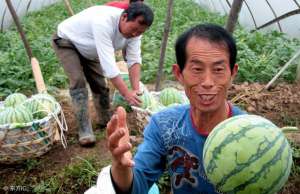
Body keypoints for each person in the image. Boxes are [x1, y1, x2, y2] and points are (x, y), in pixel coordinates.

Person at [106, 24, 246, 194]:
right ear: (179, 73)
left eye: (218, 69)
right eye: (197, 69)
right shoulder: (165, 125)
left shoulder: (248, 133)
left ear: (232, 73)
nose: (208, 82)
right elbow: (137, 186)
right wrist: (121, 167)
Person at [52, 2, 154, 146]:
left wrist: (136, 89)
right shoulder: (103, 22)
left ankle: (105, 119)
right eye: (134, 29)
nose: (135, 34)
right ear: (124, 17)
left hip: (89, 48)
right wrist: (126, 93)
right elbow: (109, 67)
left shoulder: (135, 33)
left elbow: (134, 60)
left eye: (140, 32)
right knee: (78, 80)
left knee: (99, 83)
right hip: (67, 41)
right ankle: (85, 129)